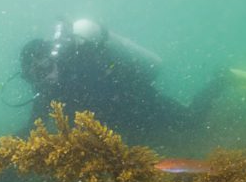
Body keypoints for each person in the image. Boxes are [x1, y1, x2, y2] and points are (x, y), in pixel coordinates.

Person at [17, 19, 230, 142]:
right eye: (35, 76)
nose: (44, 78)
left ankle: (222, 79)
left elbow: (110, 95)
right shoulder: (47, 91)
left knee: (191, 121)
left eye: (45, 69)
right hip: (123, 122)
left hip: (141, 103)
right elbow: (32, 129)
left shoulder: (81, 63)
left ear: (53, 57)